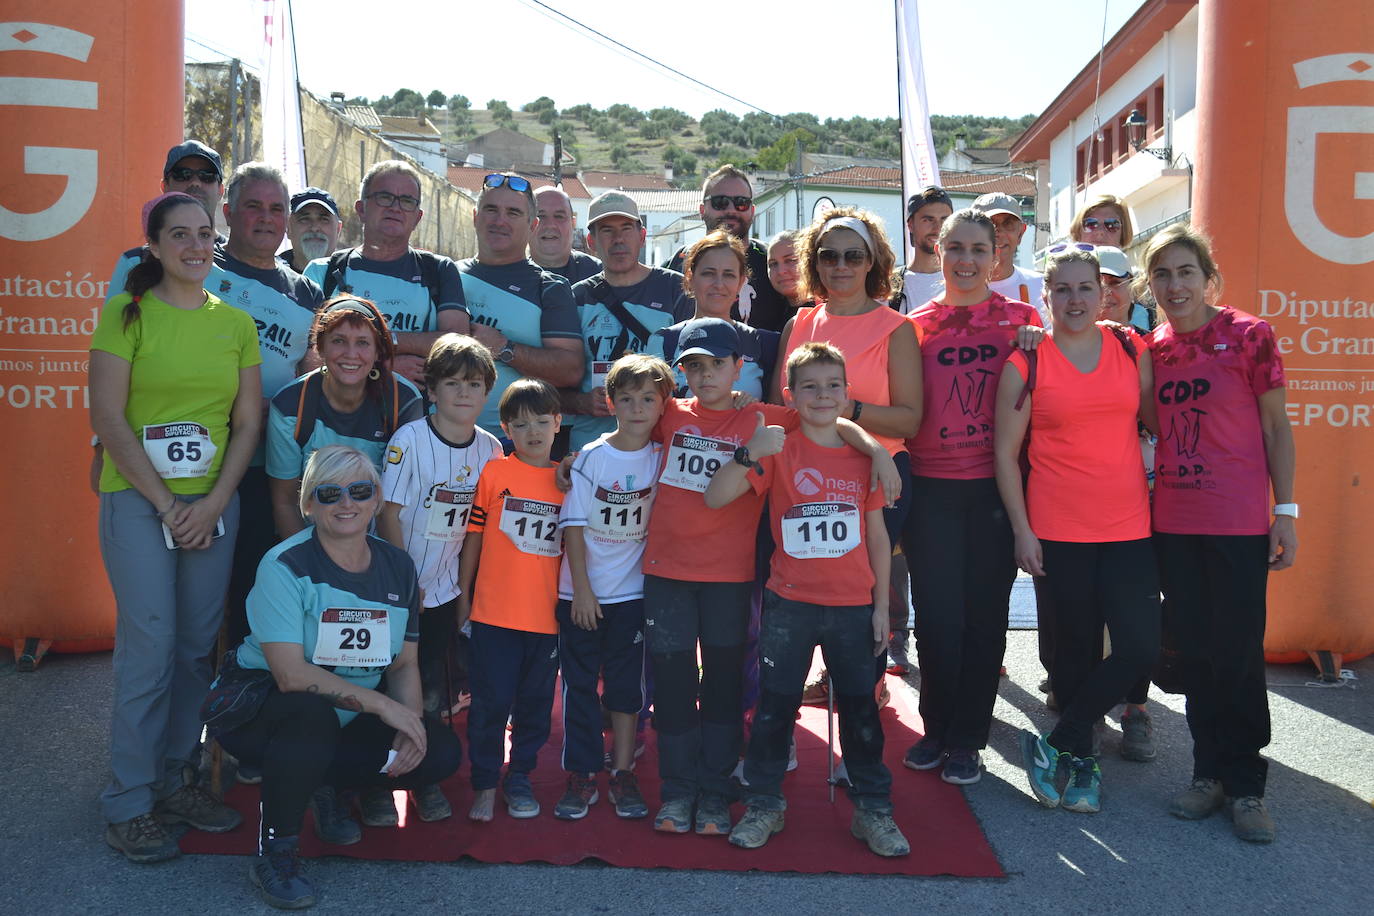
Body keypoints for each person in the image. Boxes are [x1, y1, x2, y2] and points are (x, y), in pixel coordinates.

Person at [641, 316, 894, 835]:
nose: (706, 375)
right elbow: (627, 420)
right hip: (672, 571)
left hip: (737, 578)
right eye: (694, 366)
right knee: (676, 684)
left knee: (729, 686)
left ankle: (717, 794)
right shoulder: (669, 412)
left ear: (740, 367)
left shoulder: (764, 417)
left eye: (717, 364)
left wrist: (875, 451)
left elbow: (827, 413)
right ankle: (690, 793)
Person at [90, 191, 262, 863]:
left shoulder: (235, 324)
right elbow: (108, 419)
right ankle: (127, 802)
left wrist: (215, 502)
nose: (195, 245)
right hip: (138, 501)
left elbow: (246, 423)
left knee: (194, 649)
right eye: (179, 235)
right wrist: (167, 505)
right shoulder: (125, 316)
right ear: (154, 246)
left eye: (203, 234)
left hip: (212, 506)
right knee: (150, 648)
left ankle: (173, 779)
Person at [214, 445, 463, 909]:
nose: (345, 503)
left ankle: (323, 783)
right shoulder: (284, 565)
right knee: (311, 715)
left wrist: (406, 723)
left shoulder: (398, 567)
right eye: (329, 494)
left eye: (359, 490)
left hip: (345, 715)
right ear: (308, 504)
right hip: (263, 710)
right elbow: (289, 675)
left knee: (439, 752)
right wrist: (385, 707)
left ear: (375, 499)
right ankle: (277, 852)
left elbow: (404, 664)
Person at [708, 342, 909, 857]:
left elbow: (878, 534)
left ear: (847, 392)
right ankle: (765, 804)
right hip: (789, 603)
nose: (823, 395)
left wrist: (882, 605)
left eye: (833, 385)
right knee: (776, 707)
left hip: (854, 604)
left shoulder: (863, 455)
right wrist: (750, 451)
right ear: (790, 394)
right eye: (811, 387)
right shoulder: (781, 448)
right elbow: (716, 495)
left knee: (862, 710)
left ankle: (873, 810)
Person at [1141, 224, 1295, 844]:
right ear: (1150, 286)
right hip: (1174, 524)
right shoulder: (1151, 350)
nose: (1175, 286)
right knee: (1195, 653)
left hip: (1236, 525)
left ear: (1208, 279)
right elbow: (1153, 423)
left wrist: (1288, 512)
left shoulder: (1251, 335)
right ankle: (1206, 774)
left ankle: (1247, 784)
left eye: (1185, 273)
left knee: (1237, 654)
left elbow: (1278, 430)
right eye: (1162, 275)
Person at [991, 247, 1159, 814]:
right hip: (1059, 528)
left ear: (1104, 292)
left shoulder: (1130, 346)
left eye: (1085, 288)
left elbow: (1158, 420)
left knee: (1140, 646)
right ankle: (1081, 762)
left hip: (1130, 524)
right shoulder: (1027, 362)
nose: (1075, 299)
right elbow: (1005, 455)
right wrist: (1022, 530)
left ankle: (1057, 742)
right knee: (1075, 656)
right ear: (1047, 297)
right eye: (1061, 289)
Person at [902, 208, 1042, 785]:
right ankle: (936, 728)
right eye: (953, 247)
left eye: (977, 249)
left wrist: (1037, 344)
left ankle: (969, 738)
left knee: (984, 617)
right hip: (931, 488)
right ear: (938, 252)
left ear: (995, 256)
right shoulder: (913, 325)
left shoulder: (1023, 319)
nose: (965, 259)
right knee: (935, 617)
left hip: (996, 487)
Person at [775, 207, 922, 673]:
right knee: (807, 584)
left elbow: (909, 420)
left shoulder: (895, 328)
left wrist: (849, 410)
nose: (841, 265)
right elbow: (782, 410)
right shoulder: (798, 325)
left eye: (853, 256)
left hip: (877, 473)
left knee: (863, 588)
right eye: (828, 255)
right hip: (803, 474)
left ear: (872, 262)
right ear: (813, 263)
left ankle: (865, 687)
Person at [378, 333, 502, 809]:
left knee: (433, 686)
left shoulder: (490, 449)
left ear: (486, 391)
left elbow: (481, 525)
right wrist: (400, 580)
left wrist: (467, 590)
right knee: (385, 681)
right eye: (452, 383)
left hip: (445, 589)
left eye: (473, 384)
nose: (464, 393)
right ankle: (379, 782)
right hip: (398, 587)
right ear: (432, 390)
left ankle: (424, 777)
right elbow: (388, 512)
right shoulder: (410, 439)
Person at [554, 353, 672, 820]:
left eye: (648, 398)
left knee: (627, 691)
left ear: (665, 404)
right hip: (581, 595)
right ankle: (581, 771)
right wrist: (582, 591)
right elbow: (575, 528)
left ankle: (623, 771)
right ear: (611, 402)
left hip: (633, 597)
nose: (638, 407)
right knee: (580, 687)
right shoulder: (590, 458)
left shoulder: (664, 458)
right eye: (627, 398)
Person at [213, 162, 325, 648]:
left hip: (268, 466)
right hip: (204, 461)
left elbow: (308, 376)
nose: (265, 217)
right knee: (200, 602)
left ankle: (240, 704)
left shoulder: (308, 292)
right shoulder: (203, 271)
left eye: (276, 208)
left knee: (252, 591)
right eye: (253, 206)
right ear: (228, 212)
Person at [458, 379, 566, 821]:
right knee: (489, 703)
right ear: (506, 429)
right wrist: (464, 598)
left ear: (558, 423)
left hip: (547, 620)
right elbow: (474, 538)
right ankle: (484, 783)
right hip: (493, 615)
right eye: (521, 425)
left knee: (535, 708)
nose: (534, 432)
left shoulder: (569, 477)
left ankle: (519, 776)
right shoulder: (494, 473)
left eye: (542, 422)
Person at [267, 297, 425, 540]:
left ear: (377, 351)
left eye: (363, 342)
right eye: (338, 341)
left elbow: (399, 504)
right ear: (319, 346)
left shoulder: (402, 401)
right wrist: (310, 566)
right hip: (311, 538)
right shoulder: (290, 405)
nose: (351, 354)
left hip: (379, 537)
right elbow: (284, 502)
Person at [303, 160, 469, 387]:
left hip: (414, 417)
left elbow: (457, 344)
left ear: (418, 217)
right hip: (338, 418)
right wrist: (385, 367)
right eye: (384, 197)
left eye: (407, 201)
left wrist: (388, 340)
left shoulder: (438, 270)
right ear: (361, 209)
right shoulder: (323, 271)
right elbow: (308, 361)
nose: (395, 207)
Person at [458, 172, 585, 439]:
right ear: (475, 217)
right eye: (491, 209)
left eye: (513, 213)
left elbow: (570, 370)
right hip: (444, 442)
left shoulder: (550, 287)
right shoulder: (445, 275)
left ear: (532, 225)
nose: (500, 220)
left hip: (517, 449)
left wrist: (505, 348)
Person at [565, 191, 691, 451]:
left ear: (642, 236)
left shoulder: (675, 289)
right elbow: (556, 378)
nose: (618, 239)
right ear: (591, 241)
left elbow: (693, 369)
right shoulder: (576, 297)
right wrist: (581, 402)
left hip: (658, 447)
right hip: (590, 448)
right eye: (607, 231)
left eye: (626, 229)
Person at [649, 230, 779, 400]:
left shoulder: (765, 345)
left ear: (741, 282)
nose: (718, 284)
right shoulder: (663, 342)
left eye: (728, 275)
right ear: (690, 277)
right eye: (708, 273)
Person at [667, 165, 789, 331]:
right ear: (702, 210)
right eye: (720, 202)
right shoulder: (679, 261)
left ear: (752, 211)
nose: (731, 210)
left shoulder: (773, 262)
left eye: (741, 203)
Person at [104, 141, 227, 301]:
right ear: (164, 186)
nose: (195, 182)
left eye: (207, 176)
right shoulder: (135, 261)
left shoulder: (238, 261)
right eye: (183, 174)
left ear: (221, 191)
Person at [971, 192, 1045, 323]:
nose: (998, 233)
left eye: (1008, 224)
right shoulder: (954, 289)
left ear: (1021, 233)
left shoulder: (1042, 287)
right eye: (990, 225)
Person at [893, 186, 954, 315]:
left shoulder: (964, 280)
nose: (937, 228)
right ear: (910, 224)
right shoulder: (891, 285)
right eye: (928, 220)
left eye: (944, 220)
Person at [531, 185, 602, 283]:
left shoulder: (601, 274)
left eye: (559, 216)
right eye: (541, 216)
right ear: (527, 223)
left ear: (573, 223)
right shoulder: (507, 277)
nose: (550, 225)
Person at [281, 187, 343, 274]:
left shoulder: (353, 277)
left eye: (323, 219)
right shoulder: (268, 280)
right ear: (288, 228)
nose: (314, 228)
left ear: (338, 229)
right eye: (304, 219)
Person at [1069, 193, 1134, 250]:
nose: (1100, 231)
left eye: (1111, 224)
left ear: (1123, 233)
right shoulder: (1061, 263)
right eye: (1090, 224)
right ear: (1078, 231)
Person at [765, 230, 805, 310]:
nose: (781, 271)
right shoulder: (768, 314)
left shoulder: (828, 312)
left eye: (790, 260)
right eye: (773, 264)